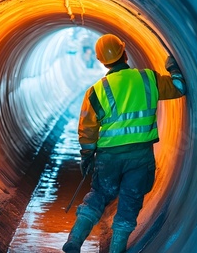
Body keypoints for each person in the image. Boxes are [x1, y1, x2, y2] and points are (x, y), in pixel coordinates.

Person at [62, 34, 187, 253]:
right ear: (125, 53)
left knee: (99, 193)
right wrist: (173, 67)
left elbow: (87, 128)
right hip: (140, 156)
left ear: (102, 61)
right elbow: (179, 87)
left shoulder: (96, 91)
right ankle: (116, 249)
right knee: (130, 200)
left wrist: (87, 155)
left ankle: (75, 240)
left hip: (108, 156)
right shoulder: (149, 79)